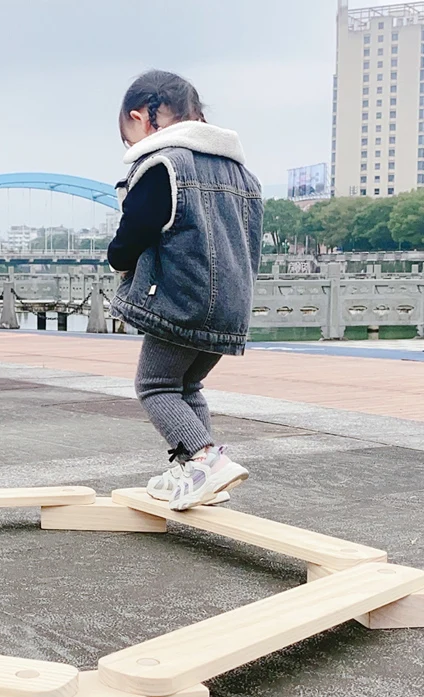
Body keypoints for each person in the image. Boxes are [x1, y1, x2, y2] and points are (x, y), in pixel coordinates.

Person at [107, 70, 263, 511]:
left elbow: (135, 230)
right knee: (187, 385)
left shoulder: (166, 165)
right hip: (232, 304)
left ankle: (205, 461)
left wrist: (118, 259)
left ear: (140, 117)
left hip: (183, 300)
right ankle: (198, 477)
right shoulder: (241, 173)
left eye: (127, 137)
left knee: (155, 385)